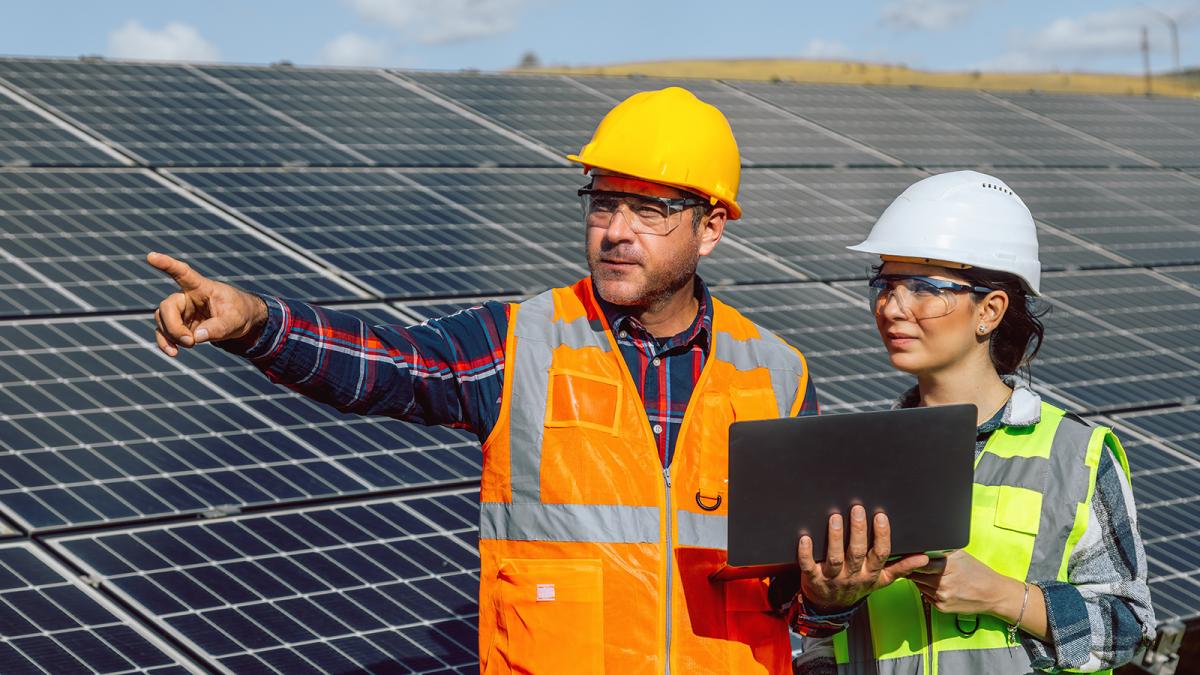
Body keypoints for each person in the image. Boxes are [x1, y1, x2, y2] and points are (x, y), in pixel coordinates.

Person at [146, 87, 915, 674]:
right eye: (603, 203)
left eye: (648, 209)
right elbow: (385, 363)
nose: (615, 229)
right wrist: (256, 323)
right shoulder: (523, 342)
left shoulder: (776, 373)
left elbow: (792, 592)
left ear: (710, 227)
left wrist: (826, 599)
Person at [793, 170, 1156, 674]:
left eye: (923, 288)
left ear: (989, 310)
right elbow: (814, 646)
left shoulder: (1075, 454)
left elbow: (1129, 629)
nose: (892, 307)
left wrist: (1003, 597)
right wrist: (829, 602)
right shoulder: (853, 454)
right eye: (885, 283)